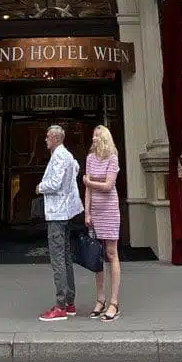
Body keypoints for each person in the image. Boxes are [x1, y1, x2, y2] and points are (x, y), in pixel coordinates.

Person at [33, 124, 82, 322]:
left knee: (58, 259)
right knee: (65, 257)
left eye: (47, 137)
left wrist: (40, 187)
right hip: (65, 212)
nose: (45, 140)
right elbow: (76, 169)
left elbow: (55, 183)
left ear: (55, 138)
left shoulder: (60, 156)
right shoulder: (69, 156)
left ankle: (61, 305)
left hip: (57, 213)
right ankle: (69, 302)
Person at [82, 124, 122, 321]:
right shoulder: (90, 158)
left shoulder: (112, 158)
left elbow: (108, 185)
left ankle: (114, 302)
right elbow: (87, 190)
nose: (94, 139)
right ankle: (100, 299)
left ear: (105, 138)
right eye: (93, 135)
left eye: (97, 135)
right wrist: (87, 212)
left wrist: (89, 183)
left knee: (111, 253)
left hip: (110, 210)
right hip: (95, 212)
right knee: (97, 255)